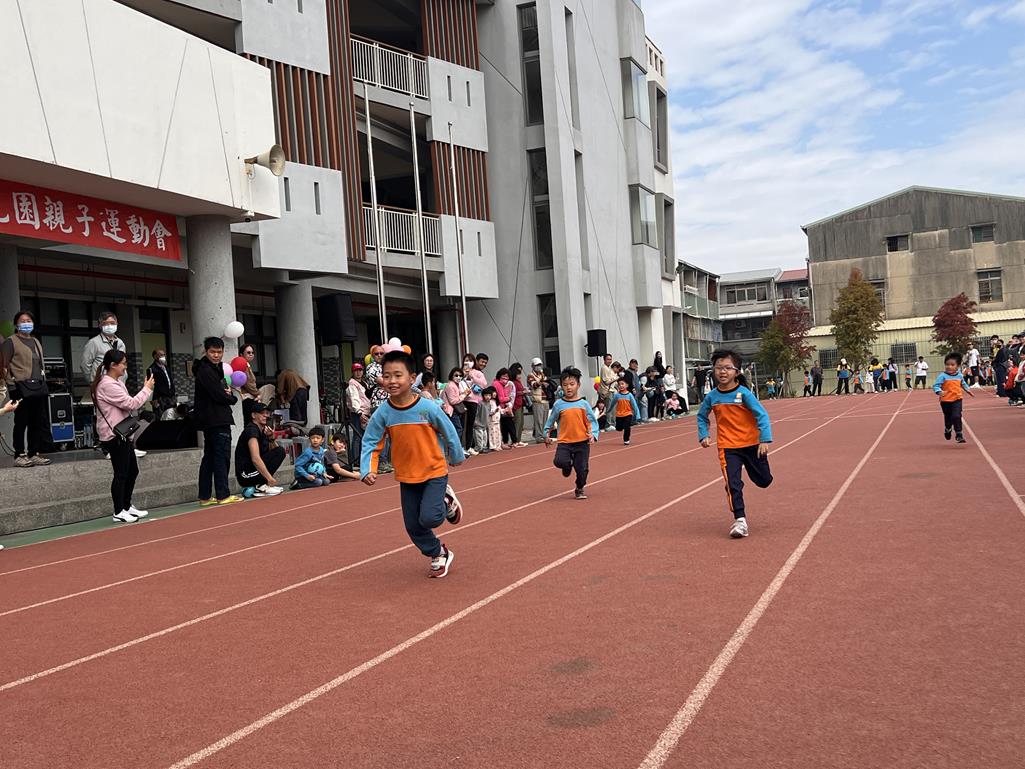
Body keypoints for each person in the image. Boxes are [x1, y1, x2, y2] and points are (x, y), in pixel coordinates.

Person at [360, 349, 465, 579]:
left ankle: (446, 501)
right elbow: (371, 440)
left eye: (398, 375)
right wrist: (368, 469)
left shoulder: (427, 408)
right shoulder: (384, 413)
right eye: (387, 376)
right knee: (413, 526)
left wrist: (456, 455)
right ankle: (438, 552)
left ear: (412, 378)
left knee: (430, 517)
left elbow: (448, 430)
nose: (392, 381)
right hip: (407, 476)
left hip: (434, 470)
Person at [697, 349, 773, 539]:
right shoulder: (712, 397)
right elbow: (701, 416)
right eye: (718, 368)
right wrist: (704, 435)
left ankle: (750, 474)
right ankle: (740, 520)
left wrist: (764, 439)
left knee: (764, 480)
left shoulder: (744, 394)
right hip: (728, 446)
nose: (722, 372)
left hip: (752, 444)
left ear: (737, 372)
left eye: (727, 368)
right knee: (732, 483)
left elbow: (762, 415)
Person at [92, 349, 154, 522]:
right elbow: (131, 404)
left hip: (122, 433)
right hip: (114, 435)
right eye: (123, 364)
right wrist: (147, 389)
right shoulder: (108, 385)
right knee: (121, 473)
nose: (126, 367)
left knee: (132, 470)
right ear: (113, 365)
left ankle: (126, 505)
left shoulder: (114, 382)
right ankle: (118, 511)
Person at [193, 336, 243, 506]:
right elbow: (217, 393)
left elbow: (220, 389)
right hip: (216, 419)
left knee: (210, 457)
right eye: (212, 352)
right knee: (221, 457)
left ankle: (205, 496)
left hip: (211, 419)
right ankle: (223, 494)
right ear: (205, 351)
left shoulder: (212, 368)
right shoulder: (206, 370)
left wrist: (226, 392)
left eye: (219, 352)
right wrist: (232, 398)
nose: (216, 355)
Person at [1, 311, 52, 467]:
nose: (26, 323)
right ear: (16, 324)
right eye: (22, 321)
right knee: (21, 421)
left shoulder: (36, 341)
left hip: (37, 386)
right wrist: (11, 386)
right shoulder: (10, 341)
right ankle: (19, 454)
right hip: (20, 387)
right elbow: (4, 365)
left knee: (37, 421)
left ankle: (33, 452)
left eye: (29, 320)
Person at [543, 367, 600, 500]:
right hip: (565, 442)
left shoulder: (583, 404)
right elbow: (551, 421)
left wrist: (593, 434)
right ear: (561, 386)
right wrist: (546, 434)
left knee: (582, 469)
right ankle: (567, 466)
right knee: (559, 461)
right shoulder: (559, 405)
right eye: (565, 385)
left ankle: (579, 488)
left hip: (582, 442)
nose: (568, 388)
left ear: (578, 385)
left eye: (572, 384)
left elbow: (592, 421)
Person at [234, 402, 285, 497]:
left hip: (254, 471)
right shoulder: (251, 430)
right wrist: (269, 478)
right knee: (279, 452)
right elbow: (255, 458)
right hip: (246, 475)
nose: (266, 415)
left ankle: (261, 484)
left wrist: (271, 438)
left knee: (280, 451)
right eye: (262, 413)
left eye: (267, 413)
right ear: (253, 415)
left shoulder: (263, 431)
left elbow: (275, 452)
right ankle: (260, 485)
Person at [934, 352, 974, 444]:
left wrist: (968, 390)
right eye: (947, 364)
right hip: (945, 401)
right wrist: (939, 391)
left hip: (957, 399)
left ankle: (959, 434)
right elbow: (936, 386)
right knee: (948, 417)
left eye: (952, 365)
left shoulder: (960, 375)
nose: (949, 367)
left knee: (956, 416)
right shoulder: (942, 376)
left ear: (958, 366)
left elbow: (963, 383)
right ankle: (948, 429)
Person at [81, 311, 126, 386]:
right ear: (100, 326)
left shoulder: (120, 343)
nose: (109, 326)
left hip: (120, 383)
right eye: (105, 323)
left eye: (112, 323)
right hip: (102, 384)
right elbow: (85, 365)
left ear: (117, 324)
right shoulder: (93, 342)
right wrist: (93, 382)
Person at [462, 353, 489, 453]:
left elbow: (484, 384)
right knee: (462, 425)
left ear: (474, 362)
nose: (468, 363)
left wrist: (472, 375)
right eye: (466, 360)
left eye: (470, 361)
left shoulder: (477, 372)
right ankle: (462, 446)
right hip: (461, 400)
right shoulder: (460, 372)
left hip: (473, 401)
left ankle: (469, 446)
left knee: (470, 424)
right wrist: (463, 374)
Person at [346, 362, 371, 464]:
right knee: (357, 437)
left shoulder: (364, 383)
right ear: (353, 372)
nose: (358, 372)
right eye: (356, 371)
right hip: (358, 413)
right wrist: (359, 413)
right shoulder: (352, 384)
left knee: (364, 437)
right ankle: (356, 460)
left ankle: (363, 459)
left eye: (360, 370)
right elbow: (354, 399)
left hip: (366, 412)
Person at [609, 379, 640, 445]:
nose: (621, 386)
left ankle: (626, 439)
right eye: (619, 384)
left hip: (628, 413)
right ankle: (622, 426)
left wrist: (637, 415)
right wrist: (609, 410)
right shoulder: (617, 395)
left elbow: (634, 405)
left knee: (627, 427)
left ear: (627, 385)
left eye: (622, 384)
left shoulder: (630, 395)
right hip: (619, 414)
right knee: (619, 428)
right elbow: (612, 403)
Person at [441, 367, 469, 438]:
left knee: (456, 429)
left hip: (453, 410)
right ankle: (455, 444)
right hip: (451, 410)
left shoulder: (455, 384)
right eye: (456, 375)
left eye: (460, 375)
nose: (458, 377)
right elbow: (453, 401)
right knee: (458, 429)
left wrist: (464, 394)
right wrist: (464, 395)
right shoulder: (451, 386)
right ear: (452, 376)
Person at [527, 358, 550, 443]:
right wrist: (542, 382)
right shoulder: (530, 375)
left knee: (545, 420)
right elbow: (534, 385)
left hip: (545, 399)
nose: (538, 367)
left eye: (539, 365)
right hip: (537, 400)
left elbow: (547, 381)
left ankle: (544, 435)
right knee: (539, 421)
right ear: (532, 366)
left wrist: (544, 381)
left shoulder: (542, 374)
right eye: (537, 365)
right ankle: (539, 437)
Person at [148, 348, 176, 416]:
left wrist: (173, 393)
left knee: (171, 415)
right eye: (161, 355)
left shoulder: (166, 367)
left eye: (164, 355)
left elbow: (170, 380)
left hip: (170, 396)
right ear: (155, 357)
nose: (163, 357)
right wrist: (153, 399)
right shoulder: (152, 369)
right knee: (161, 416)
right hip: (160, 398)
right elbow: (150, 386)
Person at [492, 367, 516, 448]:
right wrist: (508, 399)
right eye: (503, 377)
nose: (505, 379)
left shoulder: (504, 385)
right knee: (499, 427)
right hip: (498, 408)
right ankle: (500, 443)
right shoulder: (497, 384)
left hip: (504, 408)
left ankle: (505, 442)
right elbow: (500, 398)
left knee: (504, 426)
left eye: (507, 378)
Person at [238, 343, 260, 422]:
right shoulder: (243, 365)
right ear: (241, 354)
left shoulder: (247, 365)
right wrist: (257, 394)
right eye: (248, 352)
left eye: (252, 352)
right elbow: (247, 383)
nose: (251, 354)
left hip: (250, 397)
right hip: (247, 398)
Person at [508, 362, 529, 447]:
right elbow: (513, 393)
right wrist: (523, 392)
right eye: (518, 373)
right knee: (517, 422)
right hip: (515, 404)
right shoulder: (512, 382)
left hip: (520, 404)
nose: (520, 376)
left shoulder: (518, 382)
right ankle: (515, 440)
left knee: (521, 422)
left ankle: (518, 439)